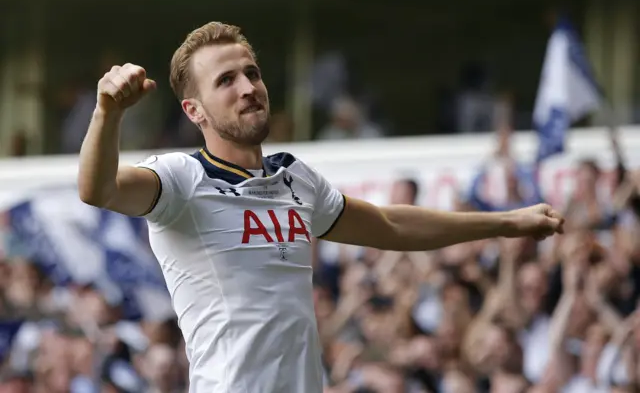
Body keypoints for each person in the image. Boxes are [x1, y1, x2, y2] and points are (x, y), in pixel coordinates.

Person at [77, 21, 565, 393]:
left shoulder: (296, 178)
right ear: (194, 111)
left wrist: (506, 222)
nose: (248, 88)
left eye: (253, 72)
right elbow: (98, 190)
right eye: (226, 80)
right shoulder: (181, 178)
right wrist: (106, 114)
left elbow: (391, 223)